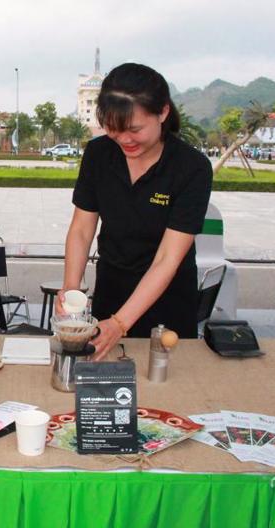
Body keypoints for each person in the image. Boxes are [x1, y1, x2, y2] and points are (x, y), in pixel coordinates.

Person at [57, 63, 213, 358]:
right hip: (111, 291)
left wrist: (120, 323)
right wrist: (70, 289)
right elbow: (81, 229)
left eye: (134, 130)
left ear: (163, 112)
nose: (124, 140)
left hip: (168, 305)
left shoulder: (191, 168)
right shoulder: (99, 155)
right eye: (113, 130)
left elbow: (167, 258)